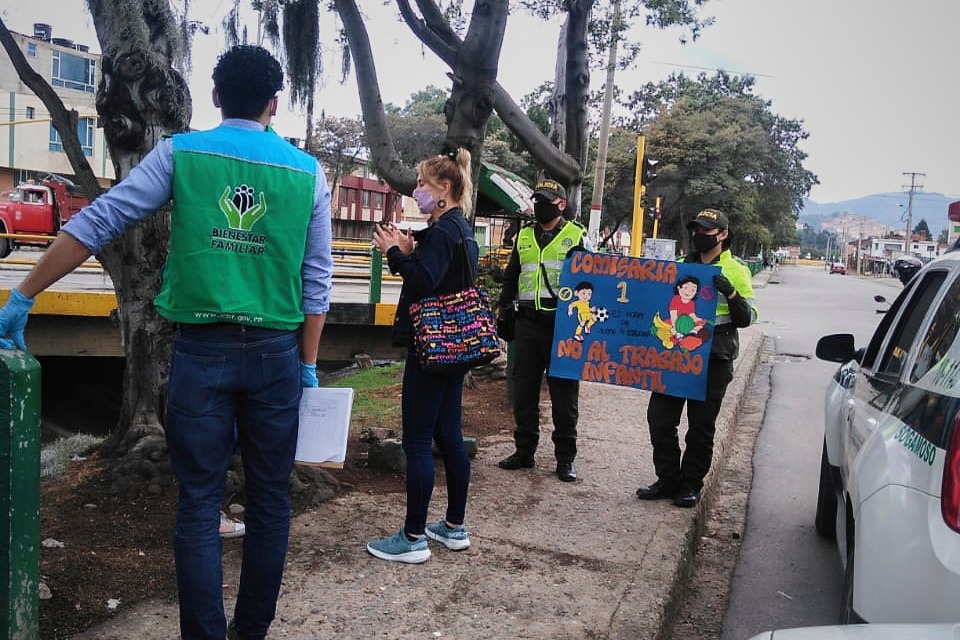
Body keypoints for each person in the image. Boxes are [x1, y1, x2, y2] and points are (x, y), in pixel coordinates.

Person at [0, 45, 334, 640]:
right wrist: (308, 364)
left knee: (200, 504)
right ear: (274, 104)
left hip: (200, 356)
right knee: (270, 501)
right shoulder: (307, 174)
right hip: (276, 359)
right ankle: (250, 632)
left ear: (214, 97)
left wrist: (24, 293)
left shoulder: (180, 154)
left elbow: (100, 219)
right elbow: (316, 285)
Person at [366, 148, 478, 564]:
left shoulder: (446, 230)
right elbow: (444, 275)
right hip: (456, 348)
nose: (417, 192)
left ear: (444, 188)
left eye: (422, 185)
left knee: (416, 441)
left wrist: (395, 254)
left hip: (431, 348)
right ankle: (453, 526)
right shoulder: (460, 229)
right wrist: (411, 249)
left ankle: (413, 536)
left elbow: (425, 279)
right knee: (449, 436)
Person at [636, 208, 757, 508]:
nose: (699, 236)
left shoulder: (737, 270)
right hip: (675, 355)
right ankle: (667, 479)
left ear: (723, 235)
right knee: (660, 419)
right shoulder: (678, 267)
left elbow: (747, 318)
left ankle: (690, 484)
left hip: (714, 357)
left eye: (706, 231)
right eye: (696, 230)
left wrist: (730, 295)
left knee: (701, 426)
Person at [496, 179, 591, 482]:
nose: (539, 205)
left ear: (561, 204)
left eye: (546, 200)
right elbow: (512, 277)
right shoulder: (524, 236)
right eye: (537, 200)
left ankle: (565, 459)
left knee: (564, 397)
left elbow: (593, 281)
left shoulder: (577, 236)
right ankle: (524, 451)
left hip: (562, 327)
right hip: (526, 325)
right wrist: (502, 309)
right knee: (524, 393)